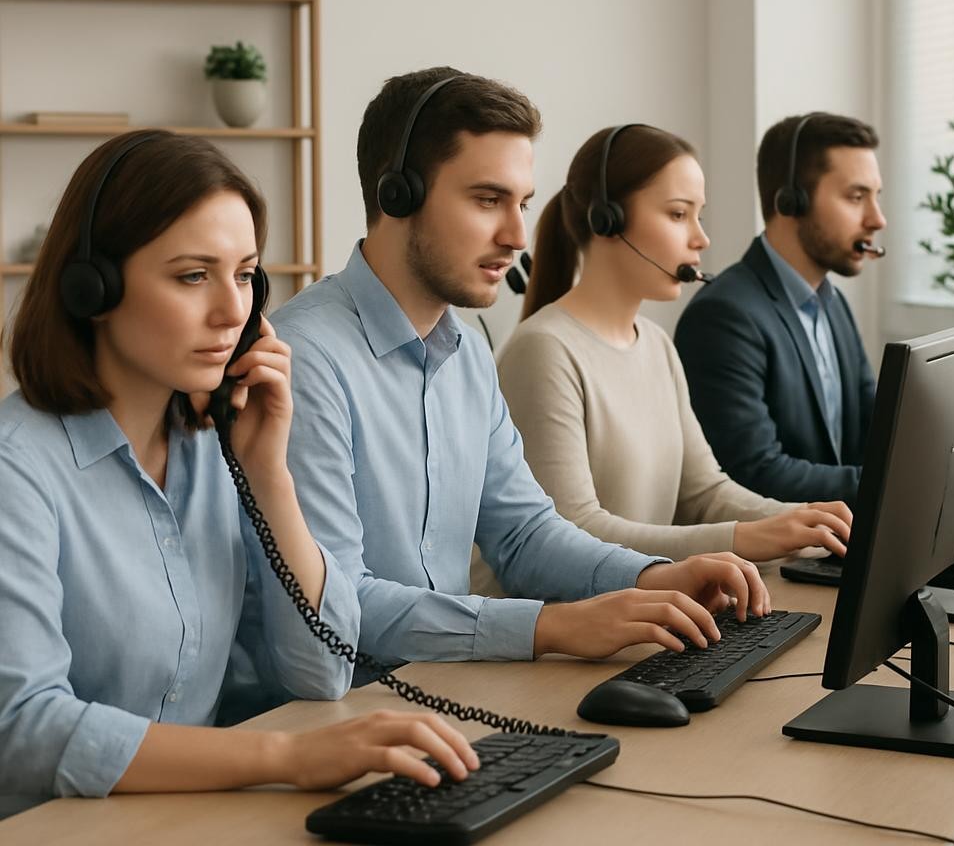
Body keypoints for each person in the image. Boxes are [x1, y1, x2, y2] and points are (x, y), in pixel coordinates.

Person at [0, 131, 478, 818]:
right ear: (93, 287)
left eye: (246, 275)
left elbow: (320, 671)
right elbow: (24, 727)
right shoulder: (17, 469)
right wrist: (287, 758)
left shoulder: (216, 450)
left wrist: (268, 473)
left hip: (193, 814)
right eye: (193, 276)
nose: (235, 313)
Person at [272, 67, 771, 683]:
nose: (515, 236)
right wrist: (551, 627)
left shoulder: (467, 354)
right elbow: (341, 601)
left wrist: (653, 576)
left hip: (440, 683)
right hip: (328, 710)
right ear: (397, 194)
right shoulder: (304, 359)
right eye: (488, 200)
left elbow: (524, 532)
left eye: (523, 204)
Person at [475, 125, 850, 594]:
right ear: (608, 221)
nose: (701, 238)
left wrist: (798, 521)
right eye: (678, 214)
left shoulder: (656, 344)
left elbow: (703, 492)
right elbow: (574, 530)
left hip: (631, 613)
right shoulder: (544, 350)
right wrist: (743, 538)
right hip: (550, 626)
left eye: (698, 216)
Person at [674, 112, 885, 507]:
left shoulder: (833, 303)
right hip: (775, 544)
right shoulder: (723, 316)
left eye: (876, 196)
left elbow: (876, 425)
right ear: (791, 201)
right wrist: (891, 486)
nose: (878, 219)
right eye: (856, 197)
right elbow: (754, 473)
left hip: (837, 535)